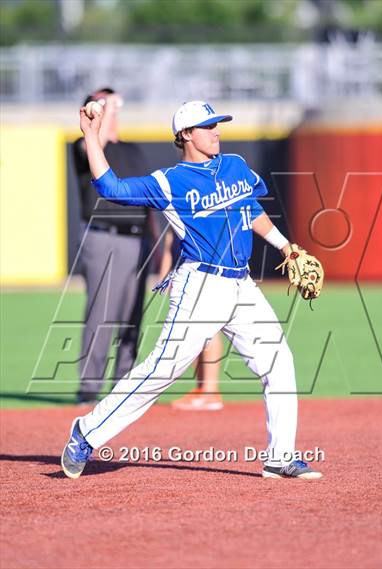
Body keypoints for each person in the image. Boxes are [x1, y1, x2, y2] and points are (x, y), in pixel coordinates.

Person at [62, 100, 322, 481]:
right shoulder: (170, 181)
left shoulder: (234, 166)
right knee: (161, 371)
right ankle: (85, 433)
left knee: (279, 361)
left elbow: (250, 209)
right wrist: (91, 135)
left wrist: (286, 246)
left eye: (217, 124)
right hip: (200, 286)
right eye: (208, 126)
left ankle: (280, 457)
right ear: (185, 134)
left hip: (241, 285)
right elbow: (110, 186)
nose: (217, 131)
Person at [73, 87, 153, 404]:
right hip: (102, 236)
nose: (113, 109)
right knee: (101, 313)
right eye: (105, 103)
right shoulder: (86, 145)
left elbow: (147, 200)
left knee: (132, 316)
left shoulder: (132, 150)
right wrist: (100, 117)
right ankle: (89, 388)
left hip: (137, 238)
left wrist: (157, 242)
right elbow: (94, 144)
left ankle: (125, 386)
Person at [159, 229, 224, 411]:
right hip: (185, 267)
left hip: (208, 266)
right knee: (194, 329)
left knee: (209, 327)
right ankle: (202, 388)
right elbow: (171, 233)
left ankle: (210, 391)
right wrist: (167, 268)